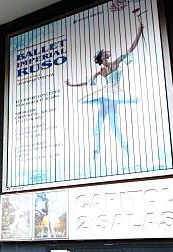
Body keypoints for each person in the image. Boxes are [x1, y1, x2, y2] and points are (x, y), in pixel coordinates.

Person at [65, 15, 144, 160]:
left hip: (112, 96)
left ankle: (126, 149)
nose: (108, 51)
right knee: (98, 125)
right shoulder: (102, 71)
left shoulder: (116, 63)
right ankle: (97, 151)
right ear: (102, 57)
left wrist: (139, 29)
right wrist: (71, 84)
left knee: (113, 126)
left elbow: (131, 48)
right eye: (105, 52)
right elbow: (87, 82)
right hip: (106, 97)